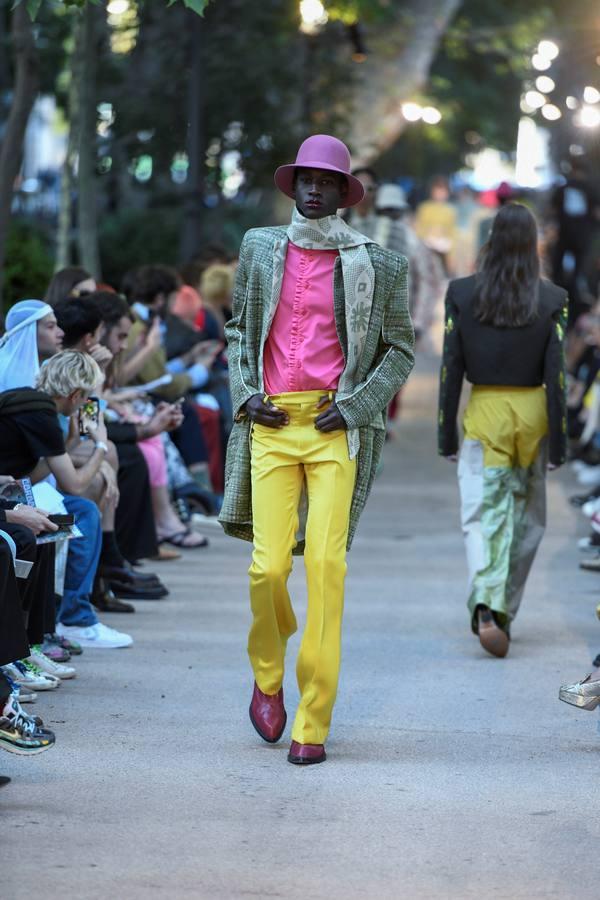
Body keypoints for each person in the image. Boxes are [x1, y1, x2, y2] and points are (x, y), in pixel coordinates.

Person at [220, 134, 415, 765]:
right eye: (305, 178)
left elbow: (400, 350)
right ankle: (268, 675)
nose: (313, 189)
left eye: (326, 182)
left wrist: (357, 407)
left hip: (338, 428)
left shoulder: (379, 263)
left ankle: (312, 721)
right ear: (292, 184)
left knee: (326, 573)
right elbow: (237, 331)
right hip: (271, 423)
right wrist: (245, 392)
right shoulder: (259, 247)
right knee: (267, 568)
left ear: (344, 193)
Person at [438, 203, 567, 658]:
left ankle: (487, 605)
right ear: (532, 244)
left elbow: (451, 367)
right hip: (532, 415)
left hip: (485, 412)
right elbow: (557, 375)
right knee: (528, 520)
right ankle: (504, 609)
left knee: (482, 513)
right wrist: (560, 441)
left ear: (489, 238)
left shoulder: (462, 292)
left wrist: (446, 434)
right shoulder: (553, 299)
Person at [0, 351, 133, 648]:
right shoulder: (43, 415)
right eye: (84, 397)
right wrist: (100, 443)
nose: (84, 405)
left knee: (76, 511)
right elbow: (73, 484)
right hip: (5, 504)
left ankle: (59, 621)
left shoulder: (30, 401)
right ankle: (74, 616)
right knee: (82, 512)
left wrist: (68, 442)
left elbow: (28, 475)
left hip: (8, 495)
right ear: (74, 395)